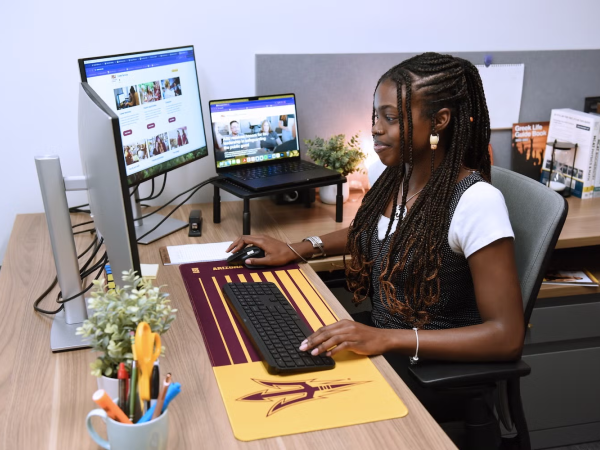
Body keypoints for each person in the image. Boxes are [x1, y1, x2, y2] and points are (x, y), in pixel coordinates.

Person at [226, 53, 523, 431]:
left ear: (439, 120)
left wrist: (385, 338)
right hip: (385, 348)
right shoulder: (399, 177)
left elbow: (507, 337)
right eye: (375, 117)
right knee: (265, 380)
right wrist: (300, 247)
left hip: (430, 371)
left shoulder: (476, 202)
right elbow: (373, 229)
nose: (376, 129)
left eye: (391, 117)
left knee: (295, 418)